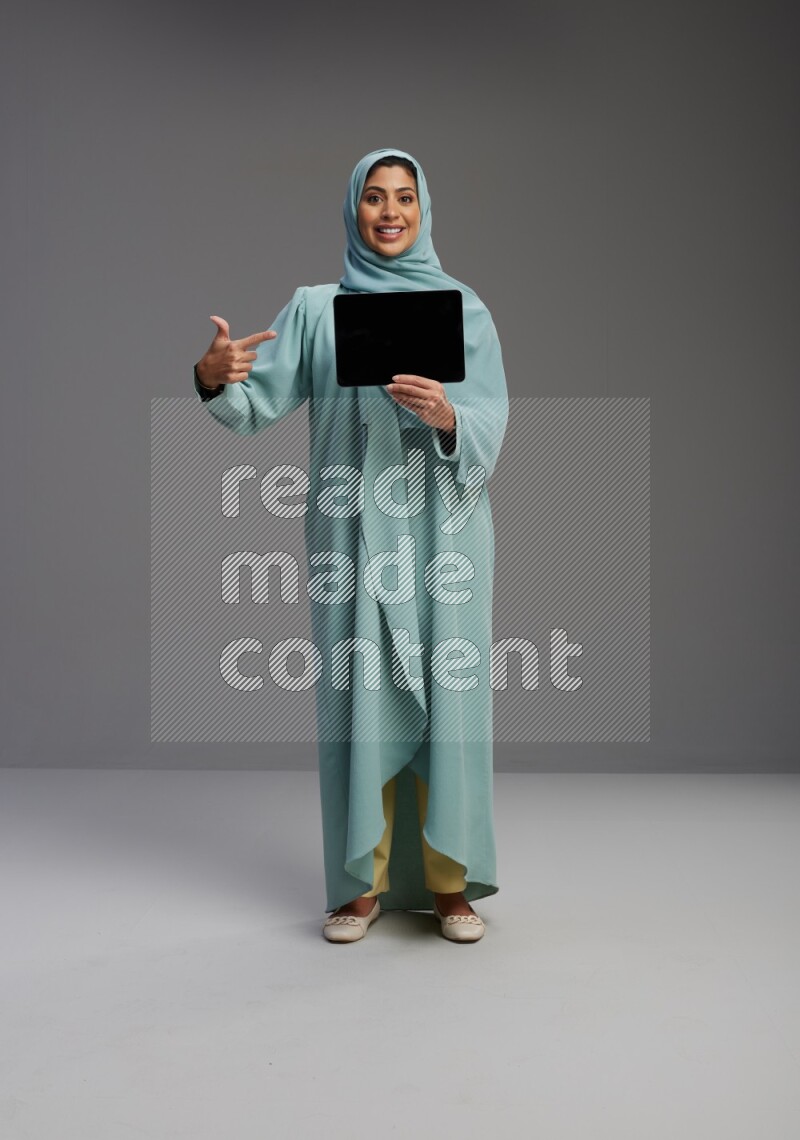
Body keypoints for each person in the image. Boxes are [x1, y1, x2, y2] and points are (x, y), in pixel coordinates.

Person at [193, 147, 509, 943]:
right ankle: (359, 885)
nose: (390, 211)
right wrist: (211, 375)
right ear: (353, 209)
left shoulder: (462, 308)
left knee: (450, 706)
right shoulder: (314, 308)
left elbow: (491, 424)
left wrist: (447, 417)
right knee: (356, 704)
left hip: (446, 536)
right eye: (374, 197)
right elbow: (254, 407)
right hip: (354, 538)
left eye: (404, 197)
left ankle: (449, 883)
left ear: (424, 207)